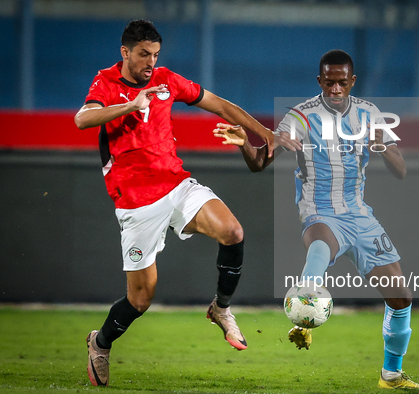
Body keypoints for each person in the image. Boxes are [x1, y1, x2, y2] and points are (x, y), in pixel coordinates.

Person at [214, 49, 419, 390]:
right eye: (329, 82)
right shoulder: (300, 117)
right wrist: (245, 143)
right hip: (319, 211)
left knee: (401, 298)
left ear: (352, 81)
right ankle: (303, 315)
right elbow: (259, 164)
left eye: (342, 82)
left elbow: (401, 170)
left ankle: (391, 376)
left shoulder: (370, 114)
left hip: (360, 216)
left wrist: (383, 147)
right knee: (320, 245)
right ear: (319, 81)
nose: (335, 89)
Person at [74, 19, 274, 387]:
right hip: (135, 200)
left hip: (176, 183)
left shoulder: (166, 80)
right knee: (140, 300)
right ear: (125, 52)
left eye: (155, 54)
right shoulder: (106, 82)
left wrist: (264, 132)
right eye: (143, 54)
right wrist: (129, 105)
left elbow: (218, 104)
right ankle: (100, 344)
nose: (150, 62)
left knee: (232, 231)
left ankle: (221, 309)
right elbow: (82, 118)